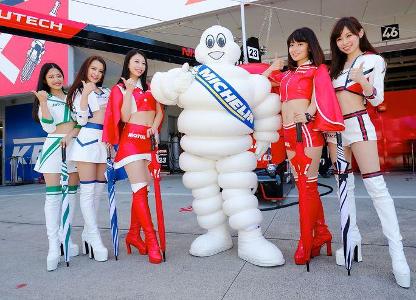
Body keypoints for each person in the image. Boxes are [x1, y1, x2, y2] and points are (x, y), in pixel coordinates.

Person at [151, 25, 285, 267]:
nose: (216, 48)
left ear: (233, 49)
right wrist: (175, 83)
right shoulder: (189, 76)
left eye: (221, 43)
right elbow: (161, 88)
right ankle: (217, 234)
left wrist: (265, 136)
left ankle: (250, 238)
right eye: (210, 42)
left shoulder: (246, 79)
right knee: (205, 196)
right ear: (201, 48)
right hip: (197, 153)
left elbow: (264, 104)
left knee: (239, 193)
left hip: (233, 150)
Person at [327, 16, 410, 288]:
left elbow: (378, 99)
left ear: (360, 33)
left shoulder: (372, 60)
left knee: (376, 187)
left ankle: (398, 255)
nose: (345, 42)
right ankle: (352, 242)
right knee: (344, 188)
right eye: (339, 38)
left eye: (349, 35)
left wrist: (362, 81)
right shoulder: (336, 68)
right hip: (336, 133)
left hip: (360, 124)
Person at [262, 27, 344, 268]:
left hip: (305, 131)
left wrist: (308, 114)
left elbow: (322, 95)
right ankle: (322, 233)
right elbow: (264, 80)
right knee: (303, 185)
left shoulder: (317, 70)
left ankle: (306, 240)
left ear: (310, 46)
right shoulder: (287, 74)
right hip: (288, 132)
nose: (294, 49)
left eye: (299, 44)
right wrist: (272, 66)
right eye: (291, 45)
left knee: (306, 187)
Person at [103, 49, 164, 264]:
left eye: (143, 63)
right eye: (136, 62)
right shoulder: (120, 88)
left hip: (147, 141)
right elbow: (125, 117)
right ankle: (152, 240)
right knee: (139, 190)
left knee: (143, 191)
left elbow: (159, 113)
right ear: (128, 64)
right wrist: (128, 91)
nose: (140, 66)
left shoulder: (151, 87)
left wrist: (154, 129)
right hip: (131, 141)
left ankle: (132, 235)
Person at [32, 63, 80, 271]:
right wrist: (42, 102)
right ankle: (53, 246)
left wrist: (72, 134)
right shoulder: (45, 98)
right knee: (53, 198)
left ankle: (66, 239)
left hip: (75, 146)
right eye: (51, 76)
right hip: (54, 147)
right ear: (45, 80)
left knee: (71, 195)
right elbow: (49, 127)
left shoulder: (72, 96)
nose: (56, 79)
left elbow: (81, 120)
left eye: (58, 75)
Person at [66, 56, 109, 262]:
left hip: (104, 143)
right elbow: (81, 120)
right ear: (86, 68)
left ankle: (86, 232)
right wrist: (85, 94)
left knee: (97, 192)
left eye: (101, 71)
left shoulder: (106, 92)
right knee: (88, 191)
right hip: (86, 142)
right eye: (94, 69)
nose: (97, 74)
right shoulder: (78, 91)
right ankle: (94, 236)